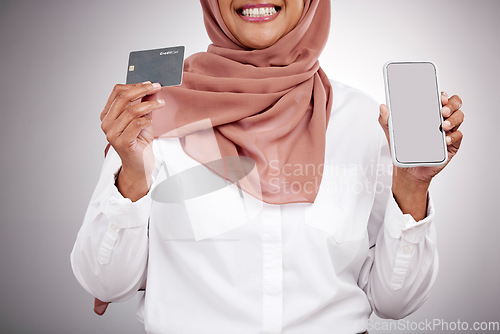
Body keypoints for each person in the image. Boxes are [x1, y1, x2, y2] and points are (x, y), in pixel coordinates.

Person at [70, 0, 464, 333]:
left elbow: (396, 301)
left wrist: (413, 185)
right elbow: (107, 281)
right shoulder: (154, 117)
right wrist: (133, 174)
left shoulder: (362, 120)